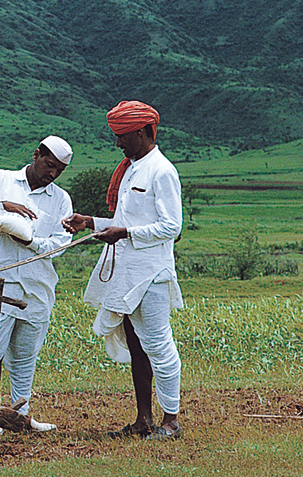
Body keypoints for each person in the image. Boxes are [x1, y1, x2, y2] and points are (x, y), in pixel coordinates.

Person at [62, 100, 184, 441]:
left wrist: (125, 234)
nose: (119, 144)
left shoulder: (162, 170)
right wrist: (91, 222)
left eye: (124, 136)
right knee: (135, 344)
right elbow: (123, 222)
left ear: (143, 132)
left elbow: (172, 227)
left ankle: (170, 421)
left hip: (152, 274)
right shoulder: (130, 168)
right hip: (126, 271)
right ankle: (143, 420)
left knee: (159, 345)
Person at [0, 135, 74, 432]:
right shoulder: (0, 180)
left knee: (24, 353)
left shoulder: (60, 199)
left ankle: (19, 415)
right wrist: (1, 204)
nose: (52, 174)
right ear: (36, 155)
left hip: (37, 285)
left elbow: (60, 244)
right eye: (49, 165)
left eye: (59, 170)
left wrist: (30, 241)